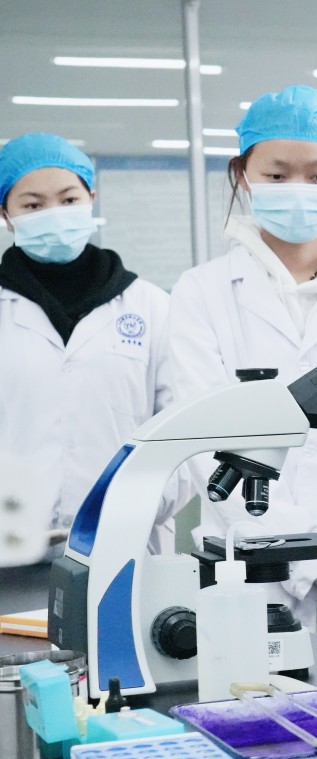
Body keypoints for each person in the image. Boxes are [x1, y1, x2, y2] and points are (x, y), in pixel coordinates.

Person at [166, 85, 317, 647]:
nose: (299, 189)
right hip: (250, 581)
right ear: (242, 175)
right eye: (277, 176)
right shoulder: (203, 293)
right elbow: (209, 447)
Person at [0, 133, 184, 553]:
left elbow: (182, 427)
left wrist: (143, 504)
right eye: (33, 205)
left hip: (126, 541)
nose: (54, 214)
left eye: (69, 200)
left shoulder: (150, 306)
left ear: (91, 199)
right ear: (6, 215)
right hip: (9, 545)